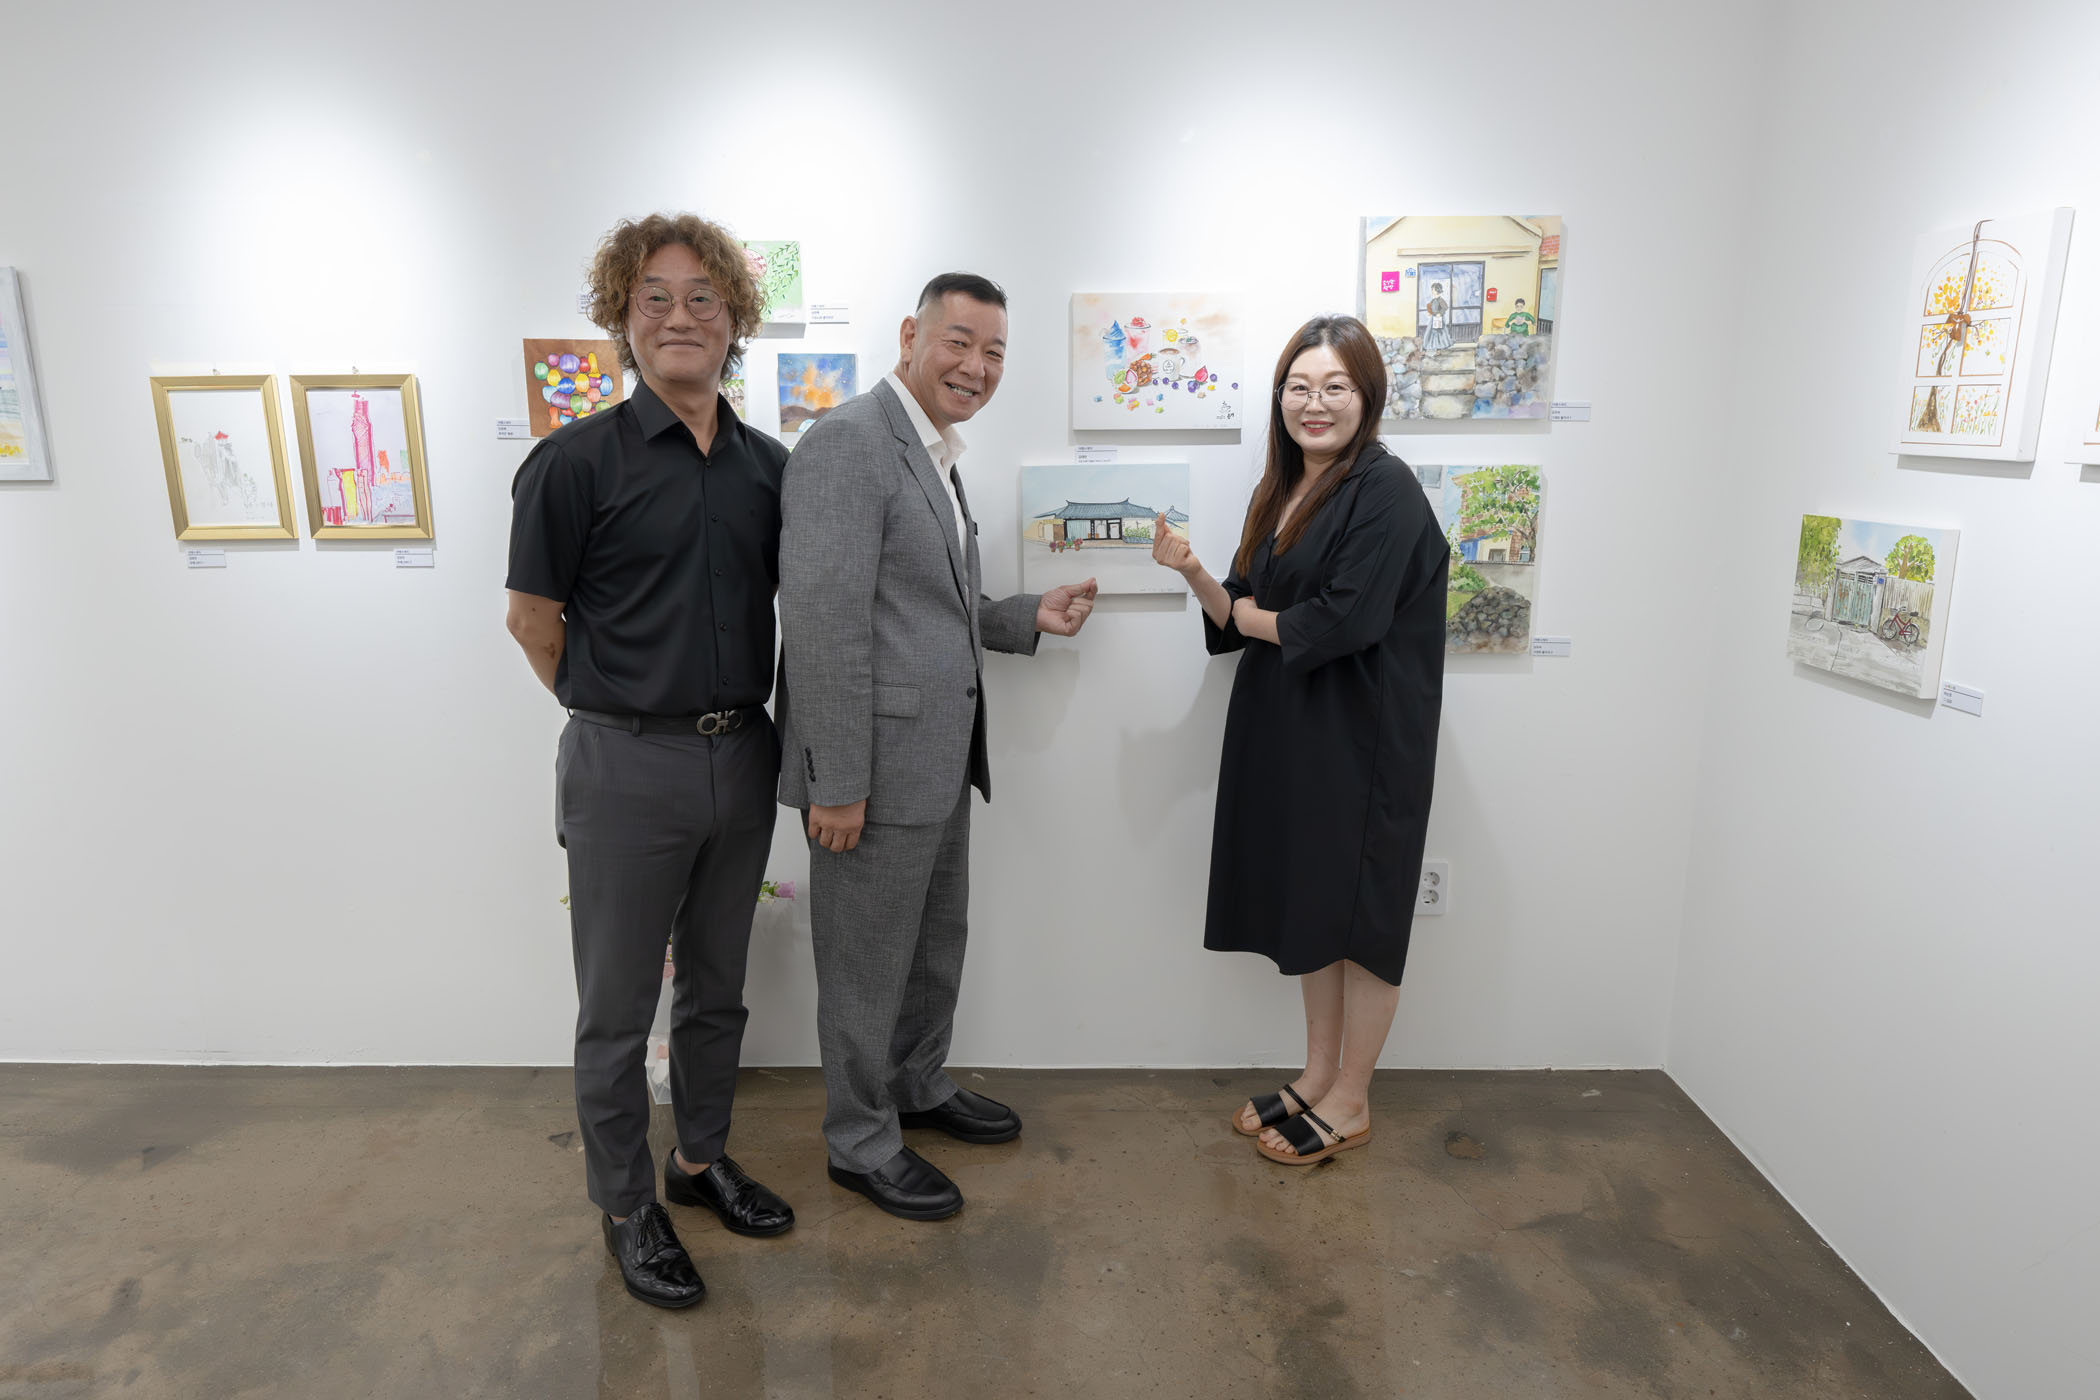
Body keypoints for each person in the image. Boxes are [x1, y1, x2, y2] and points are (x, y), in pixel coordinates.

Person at [505, 213, 795, 1310]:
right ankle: (628, 1203)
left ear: (734, 320)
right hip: (625, 763)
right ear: (623, 318)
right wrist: (615, 717)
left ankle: (700, 1158)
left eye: (702, 298)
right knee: (619, 1008)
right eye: (655, 298)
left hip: (743, 754)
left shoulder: (770, 468)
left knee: (718, 988)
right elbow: (533, 621)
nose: (681, 316)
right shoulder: (573, 463)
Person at [777, 272, 1098, 1220]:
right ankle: (859, 1140)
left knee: (930, 948)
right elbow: (824, 623)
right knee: (864, 964)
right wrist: (837, 781)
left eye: (994, 352)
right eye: (959, 342)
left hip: (938, 757)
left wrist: (1023, 616)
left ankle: (915, 1086)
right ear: (910, 336)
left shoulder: (933, 452)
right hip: (869, 773)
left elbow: (923, 606)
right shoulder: (848, 443)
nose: (976, 367)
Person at [1151, 314, 1447, 1166]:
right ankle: (1317, 1076)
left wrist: (1251, 616)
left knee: (1363, 917)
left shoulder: (1387, 490)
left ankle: (1352, 1098)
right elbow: (1239, 613)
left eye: (1335, 387)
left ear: (1367, 396)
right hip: (1292, 729)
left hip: (1364, 738)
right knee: (1315, 905)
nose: (1315, 404)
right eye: (1299, 387)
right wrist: (1193, 571)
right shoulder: (1281, 487)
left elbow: (1339, 622)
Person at [1422, 282, 1454, 352]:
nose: (1432, 291)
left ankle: (1439, 348)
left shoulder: (1440, 300)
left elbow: (1445, 307)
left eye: (1433, 290)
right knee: (1431, 332)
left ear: (1437, 290)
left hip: (1439, 319)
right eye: (1432, 290)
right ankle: (1432, 347)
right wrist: (1430, 312)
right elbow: (1431, 308)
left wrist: (1440, 313)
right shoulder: (1433, 300)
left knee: (1439, 332)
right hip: (1433, 318)